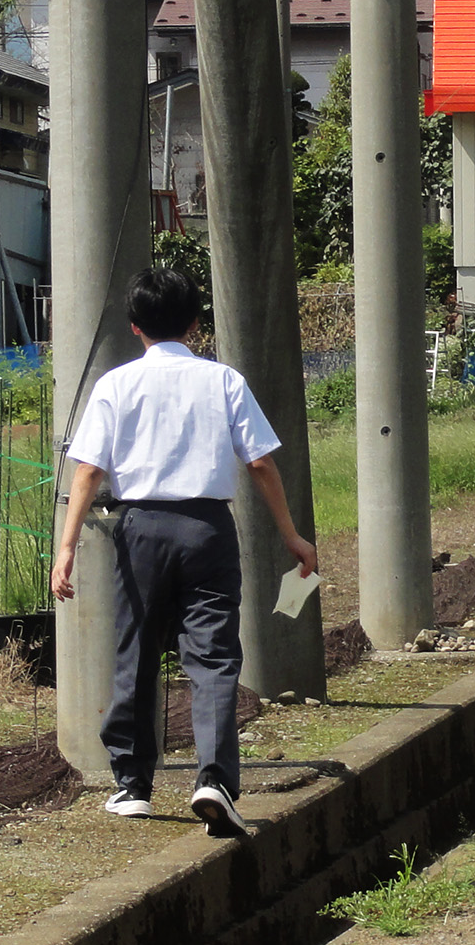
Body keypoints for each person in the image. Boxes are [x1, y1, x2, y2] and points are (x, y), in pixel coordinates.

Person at [51, 267, 317, 837]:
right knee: (213, 656)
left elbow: (89, 470)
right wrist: (291, 534)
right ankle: (214, 779)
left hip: (139, 528)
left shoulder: (115, 385)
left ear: (134, 326)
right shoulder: (223, 380)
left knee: (136, 651)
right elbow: (260, 462)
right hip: (207, 528)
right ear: (196, 323)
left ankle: (132, 786)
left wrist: (66, 547)